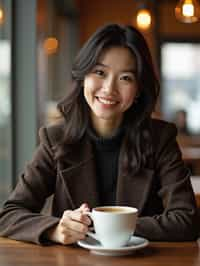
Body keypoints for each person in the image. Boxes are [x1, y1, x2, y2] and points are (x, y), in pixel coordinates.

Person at [0, 24, 198, 245]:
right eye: (100, 72)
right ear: (84, 75)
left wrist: (104, 226)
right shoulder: (55, 140)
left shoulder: (160, 139)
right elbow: (9, 215)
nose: (109, 88)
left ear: (139, 89)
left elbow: (186, 220)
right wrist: (55, 229)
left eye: (125, 78)